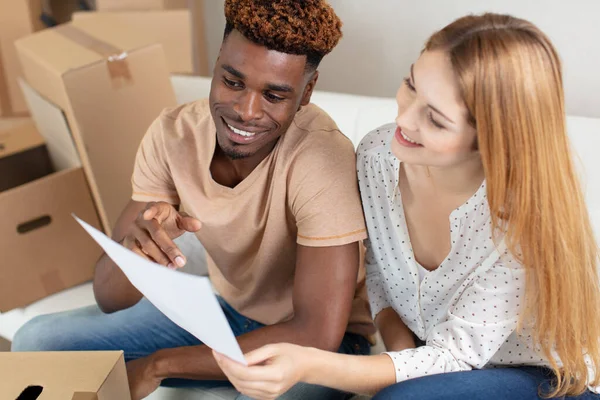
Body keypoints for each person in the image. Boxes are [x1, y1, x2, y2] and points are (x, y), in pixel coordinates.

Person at [213, 13, 600, 400]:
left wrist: (307, 363)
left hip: (544, 378)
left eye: (434, 119)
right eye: (411, 85)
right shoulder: (378, 157)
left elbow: (454, 358)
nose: (404, 117)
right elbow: (380, 275)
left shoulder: (519, 223)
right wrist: (403, 358)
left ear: (492, 139)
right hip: (441, 367)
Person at [12, 1, 375, 399]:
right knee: (38, 340)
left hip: (320, 348)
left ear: (306, 92)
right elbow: (109, 297)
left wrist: (159, 364)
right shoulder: (174, 135)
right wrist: (138, 251)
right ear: (217, 63)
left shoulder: (321, 158)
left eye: (273, 95)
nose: (245, 111)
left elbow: (316, 334)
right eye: (233, 82)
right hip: (226, 315)